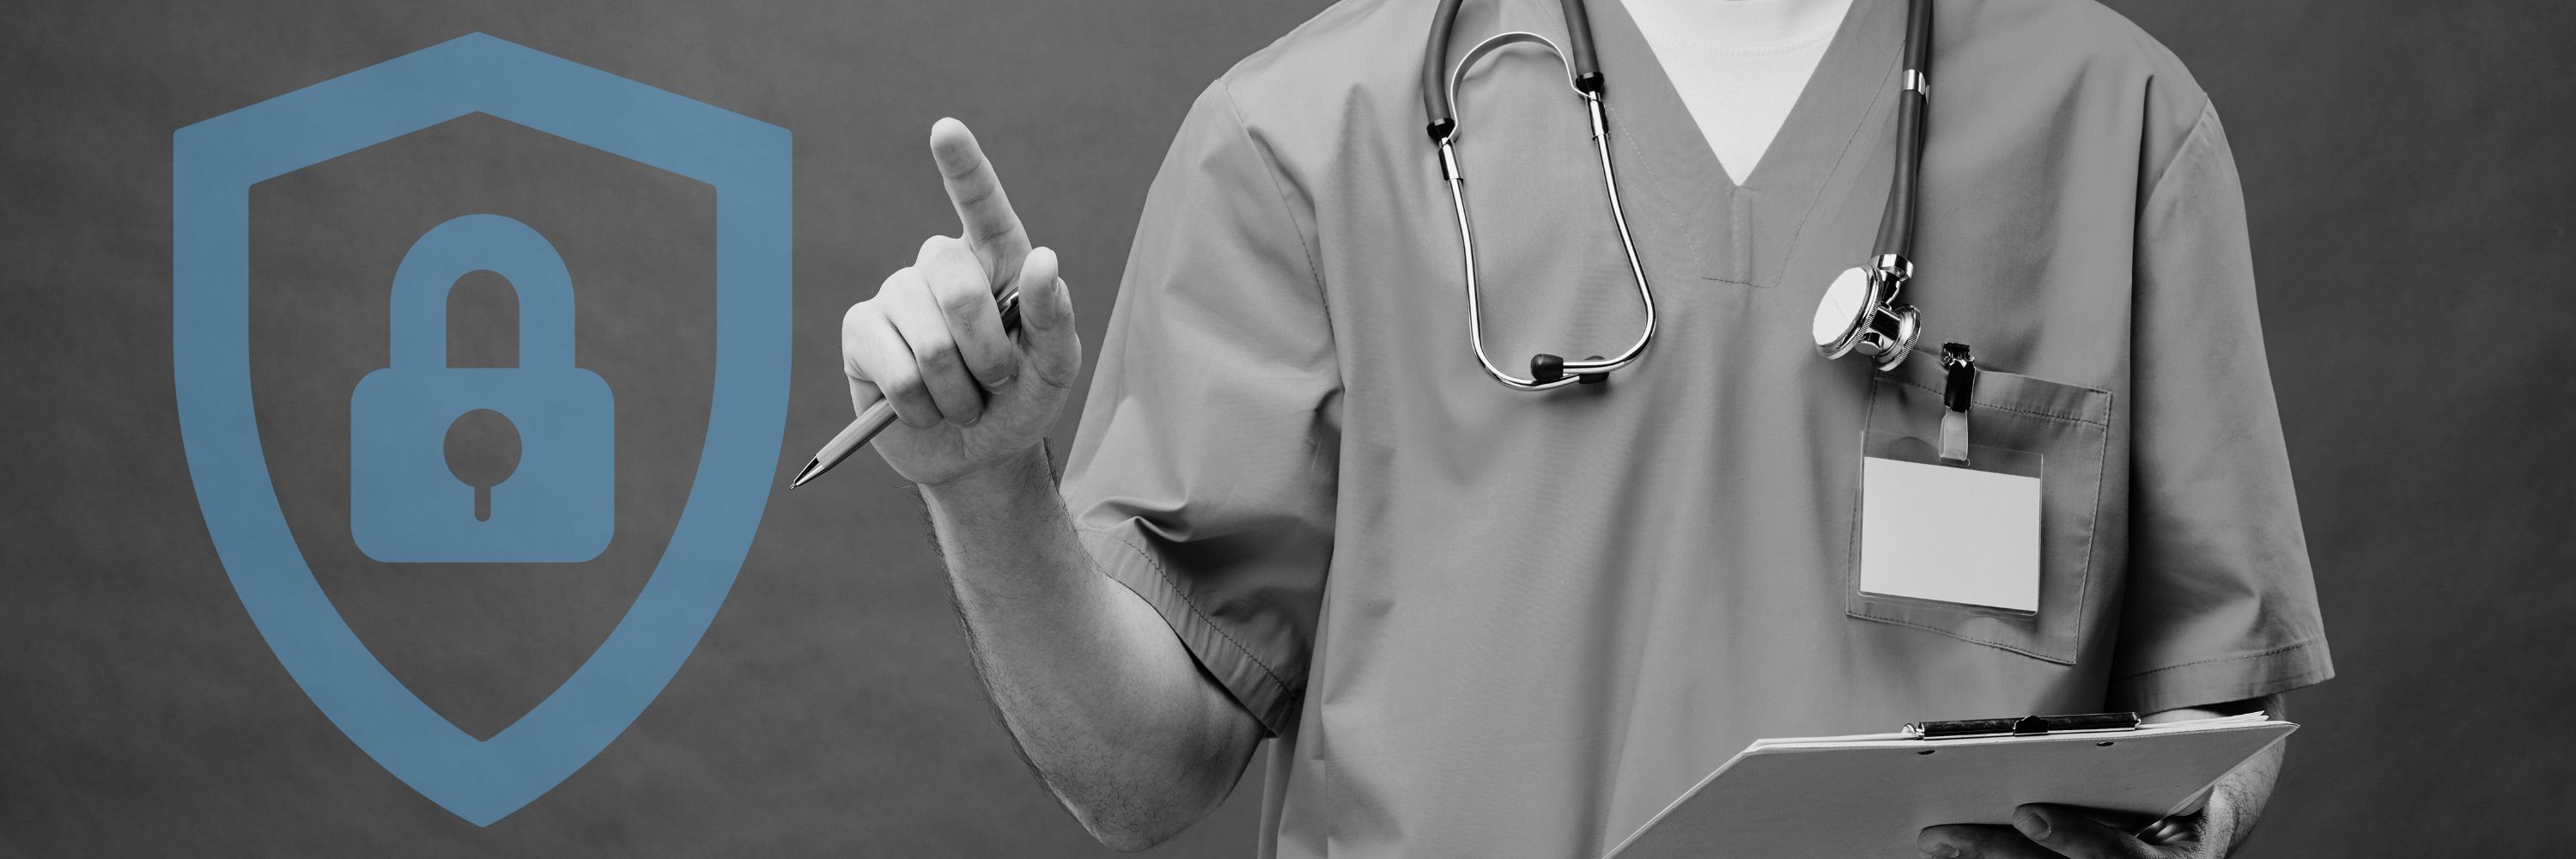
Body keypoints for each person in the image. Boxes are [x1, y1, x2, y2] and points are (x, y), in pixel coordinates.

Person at [838, 0, 2333, 855]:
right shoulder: (1304, 137)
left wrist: (2177, 832)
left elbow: (2214, 695)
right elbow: (1141, 776)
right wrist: (987, 491)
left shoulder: (2117, 121)